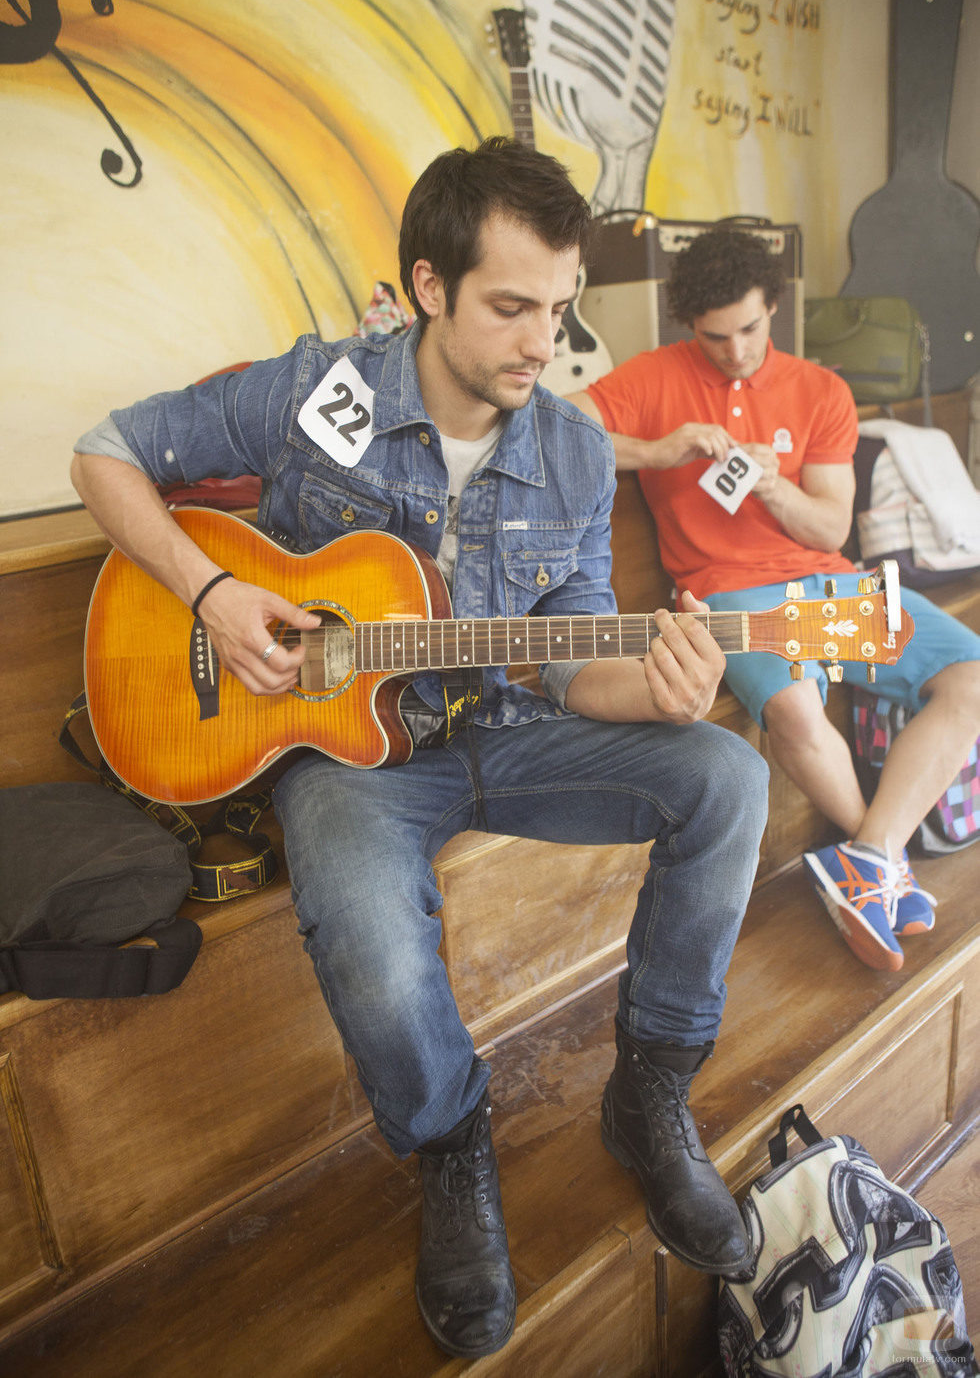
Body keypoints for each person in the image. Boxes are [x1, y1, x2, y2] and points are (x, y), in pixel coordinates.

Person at [71, 139, 768, 1360]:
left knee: (729, 774)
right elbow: (105, 452)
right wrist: (209, 595)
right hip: (349, 758)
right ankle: (451, 1145)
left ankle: (648, 1095)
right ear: (429, 284)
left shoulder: (573, 447)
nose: (538, 342)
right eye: (509, 306)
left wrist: (659, 691)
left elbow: (565, 651)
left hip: (507, 728)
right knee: (369, 931)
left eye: (557, 309)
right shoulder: (312, 391)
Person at [567, 225, 980, 978]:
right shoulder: (653, 377)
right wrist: (656, 452)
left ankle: (872, 857)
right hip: (728, 594)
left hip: (834, 579)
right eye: (715, 336)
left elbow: (830, 525)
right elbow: (548, 425)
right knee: (791, 706)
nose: (735, 350)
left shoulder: (821, 389)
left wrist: (771, 484)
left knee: (973, 680)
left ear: (773, 308)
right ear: (690, 324)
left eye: (750, 330)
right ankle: (881, 863)